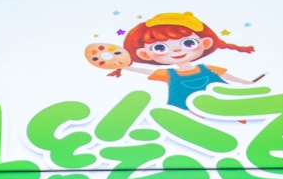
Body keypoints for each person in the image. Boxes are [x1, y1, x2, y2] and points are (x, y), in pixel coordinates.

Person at [110, 11, 258, 109]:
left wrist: (246, 83)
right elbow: (145, 71)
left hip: (220, 103)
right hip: (186, 109)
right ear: (145, 54)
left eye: (188, 43)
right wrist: (125, 66)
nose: (176, 51)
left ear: (205, 43)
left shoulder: (208, 69)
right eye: (160, 48)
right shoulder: (169, 74)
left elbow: (227, 76)